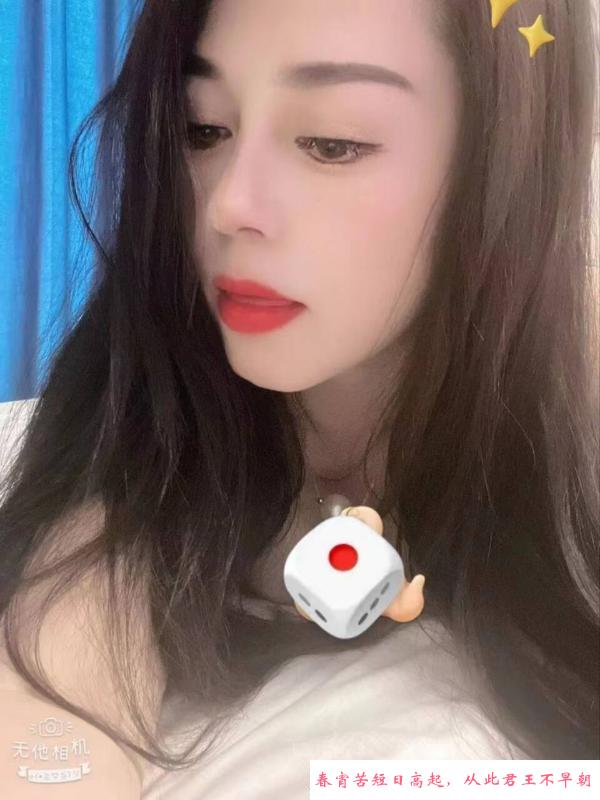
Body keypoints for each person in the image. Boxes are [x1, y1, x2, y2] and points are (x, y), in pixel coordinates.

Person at [1, 0, 598, 796]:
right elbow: (52, 734)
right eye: (204, 129)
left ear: (504, 164)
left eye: (331, 142)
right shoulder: (133, 486)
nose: (229, 203)